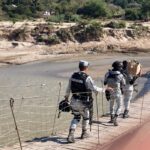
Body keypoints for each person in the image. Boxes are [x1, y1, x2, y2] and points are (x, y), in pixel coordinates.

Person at [65, 60, 104, 143]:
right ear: (86, 67)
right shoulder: (87, 78)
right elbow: (94, 88)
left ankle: (71, 134)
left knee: (76, 117)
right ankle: (84, 133)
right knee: (86, 117)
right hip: (84, 102)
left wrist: (66, 98)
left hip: (74, 100)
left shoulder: (73, 76)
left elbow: (68, 88)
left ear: (79, 66)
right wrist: (105, 90)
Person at [104, 61, 126, 126]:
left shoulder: (107, 73)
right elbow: (124, 84)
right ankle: (115, 119)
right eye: (120, 67)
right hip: (117, 92)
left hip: (110, 92)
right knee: (120, 106)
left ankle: (111, 118)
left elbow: (105, 83)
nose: (121, 68)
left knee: (111, 106)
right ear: (118, 67)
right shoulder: (120, 75)